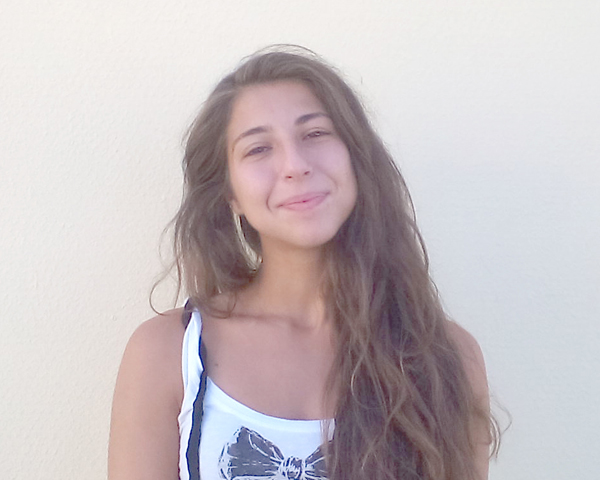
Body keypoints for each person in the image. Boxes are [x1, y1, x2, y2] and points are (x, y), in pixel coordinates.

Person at [108, 46, 497, 480]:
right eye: (258, 149)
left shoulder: (447, 356)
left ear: (356, 157)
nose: (295, 165)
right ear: (230, 194)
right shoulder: (167, 353)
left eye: (314, 134)